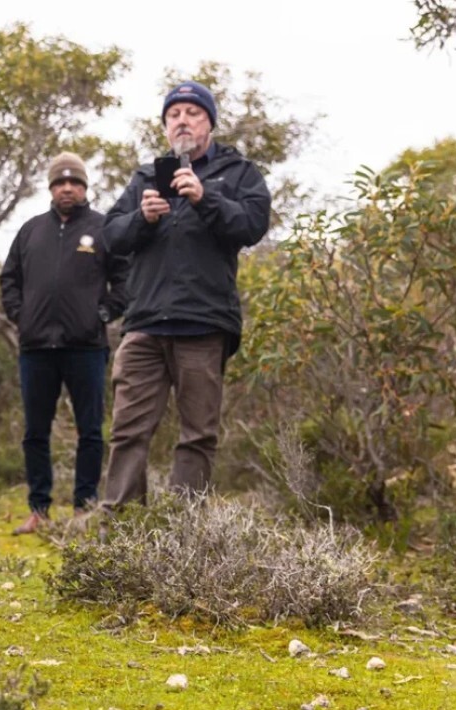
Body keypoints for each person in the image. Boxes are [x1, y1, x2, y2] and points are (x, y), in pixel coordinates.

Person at [101, 80, 272, 505]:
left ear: (209, 123)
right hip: (144, 324)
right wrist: (141, 218)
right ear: (164, 128)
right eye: (173, 115)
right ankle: (120, 530)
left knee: (197, 434)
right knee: (127, 430)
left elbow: (252, 225)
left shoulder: (238, 173)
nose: (182, 121)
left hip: (204, 322)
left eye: (192, 113)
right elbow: (110, 236)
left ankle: (183, 534)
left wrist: (204, 197)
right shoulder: (146, 177)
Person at [0, 153, 130, 534]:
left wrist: (103, 315)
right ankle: (39, 509)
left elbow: (125, 280)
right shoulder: (31, 230)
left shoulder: (104, 228)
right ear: (51, 188)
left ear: (85, 188)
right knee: (34, 431)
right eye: (59, 182)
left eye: (74, 182)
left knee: (90, 430)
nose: (67, 188)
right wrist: (20, 315)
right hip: (36, 347)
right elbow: (9, 278)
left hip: (86, 346)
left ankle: (83, 507)